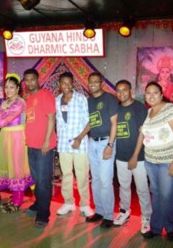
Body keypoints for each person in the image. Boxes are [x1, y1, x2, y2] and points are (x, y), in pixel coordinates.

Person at [130, 82, 173, 242]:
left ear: (161, 95)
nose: (151, 96)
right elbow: (143, 134)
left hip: (169, 160)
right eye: (148, 93)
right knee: (155, 193)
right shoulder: (149, 113)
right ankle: (155, 227)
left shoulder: (171, 110)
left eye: (155, 92)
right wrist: (135, 155)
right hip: (151, 160)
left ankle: (169, 228)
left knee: (166, 195)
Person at [0, 73, 33, 212]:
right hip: (5, 137)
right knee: (10, 168)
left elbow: (7, 120)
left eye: (11, 87)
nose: (8, 90)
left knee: (16, 169)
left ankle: (17, 202)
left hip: (17, 137)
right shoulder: (4, 103)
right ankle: (15, 198)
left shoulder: (20, 102)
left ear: (18, 88)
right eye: (6, 87)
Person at [114, 80, 152, 234]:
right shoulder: (116, 108)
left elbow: (143, 133)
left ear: (130, 91)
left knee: (142, 189)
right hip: (121, 156)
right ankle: (124, 211)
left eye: (124, 90)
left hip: (138, 157)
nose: (121, 93)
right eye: (118, 90)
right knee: (124, 187)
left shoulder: (139, 108)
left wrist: (135, 156)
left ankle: (146, 217)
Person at [55, 72, 94, 217]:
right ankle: (68, 203)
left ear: (73, 83)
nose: (66, 86)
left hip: (80, 144)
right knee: (66, 174)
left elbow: (90, 121)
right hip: (64, 144)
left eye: (69, 83)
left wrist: (79, 138)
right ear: (59, 84)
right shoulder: (57, 100)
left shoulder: (81, 99)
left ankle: (85, 204)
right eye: (63, 83)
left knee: (82, 175)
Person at [23, 68, 57, 229]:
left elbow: (51, 119)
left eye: (32, 79)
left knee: (44, 182)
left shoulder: (46, 95)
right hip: (32, 146)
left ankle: (43, 215)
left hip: (44, 147)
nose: (30, 83)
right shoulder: (29, 99)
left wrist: (46, 141)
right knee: (37, 180)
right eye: (27, 80)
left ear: (38, 79)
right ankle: (38, 204)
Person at [85, 72, 118, 229]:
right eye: (90, 82)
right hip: (92, 143)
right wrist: (80, 137)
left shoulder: (109, 99)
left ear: (101, 83)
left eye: (96, 82)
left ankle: (108, 216)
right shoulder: (89, 100)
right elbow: (91, 123)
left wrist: (110, 145)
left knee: (106, 181)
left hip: (106, 142)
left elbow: (114, 123)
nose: (92, 84)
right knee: (96, 180)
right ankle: (99, 211)